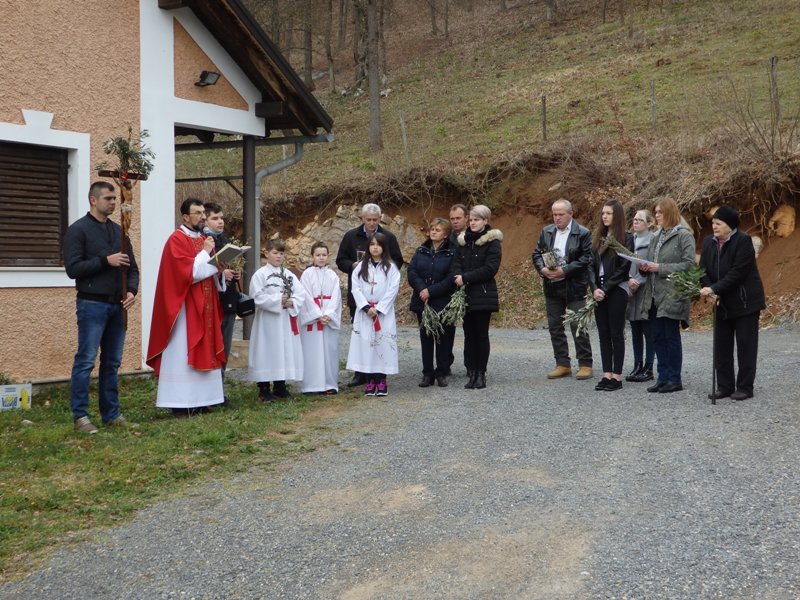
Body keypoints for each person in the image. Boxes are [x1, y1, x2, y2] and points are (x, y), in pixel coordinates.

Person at [64, 181, 139, 433]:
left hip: (118, 306)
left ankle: (111, 413)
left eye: (115, 198)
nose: (113, 202)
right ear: (93, 200)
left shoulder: (120, 232)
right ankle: (81, 417)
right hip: (91, 303)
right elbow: (73, 269)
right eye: (108, 198)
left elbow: (133, 269)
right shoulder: (78, 230)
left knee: (112, 362)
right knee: (85, 360)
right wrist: (105, 261)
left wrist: (131, 290)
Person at [147, 198, 227, 415]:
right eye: (198, 213)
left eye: (203, 212)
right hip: (184, 309)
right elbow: (188, 274)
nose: (203, 216)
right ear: (185, 217)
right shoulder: (176, 240)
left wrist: (221, 271)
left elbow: (208, 272)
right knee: (183, 351)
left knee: (206, 347)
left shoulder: (203, 238)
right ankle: (181, 402)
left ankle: (202, 400)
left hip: (206, 304)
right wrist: (205, 252)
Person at [699, 205, 766, 401]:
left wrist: (714, 289)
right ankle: (724, 386)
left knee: (746, 346)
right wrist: (709, 289)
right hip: (721, 302)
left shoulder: (743, 241)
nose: (714, 226)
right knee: (722, 346)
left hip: (745, 303)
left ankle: (745, 387)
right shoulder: (709, 243)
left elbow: (737, 273)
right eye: (713, 223)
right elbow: (703, 270)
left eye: (719, 223)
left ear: (730, 226)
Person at [336, 203, 404, 387]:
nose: (372, 223)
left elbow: (397, 260)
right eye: (369, 220)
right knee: (362, 336)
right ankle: (361, 372)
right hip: (360, 298)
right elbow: (340, 259)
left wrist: (383, 270)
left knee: (380, 337)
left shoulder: (388, 237)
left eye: (375, 220)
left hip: (382, 297)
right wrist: (354, 266)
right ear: (362, 219)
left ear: (380, 218)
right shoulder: (351, 236)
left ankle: (380, 374)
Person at [532, 199, 594, 381]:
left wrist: (564, 270)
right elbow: (536, 253)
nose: (557, 218)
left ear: (570, 214)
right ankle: (562, 363)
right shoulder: (547, 231)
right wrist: (542, 270)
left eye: (561, 214)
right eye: (555, 215)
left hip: (574, 285)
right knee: (555, 326)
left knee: (578, 325)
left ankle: (585, 364)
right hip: (552, 286)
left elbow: (586, 259)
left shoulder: (582, 233)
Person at [639, 198, 696, 394]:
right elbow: (651, 262)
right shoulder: (655, 236)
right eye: (655, 212)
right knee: (657, 337)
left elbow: (689, 265)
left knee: (671, 336)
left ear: (670, 213)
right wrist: (645, 266)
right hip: (654, 293)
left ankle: (674, 378)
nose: (656, 216)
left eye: (660, 212)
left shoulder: (684, 236)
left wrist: (660, 268)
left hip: (673, 294)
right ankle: (662, 377)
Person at [248, 239, 306, 402]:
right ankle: (264, 388)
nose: (278, 257)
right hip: (268, 320)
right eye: (275, 253)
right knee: (267, 351)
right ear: (266, 253)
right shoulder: (260, 275)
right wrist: (277, 299)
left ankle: (280, 385)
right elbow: (256, 297)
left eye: (281, 253)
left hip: (285, 319)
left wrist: (292, 301)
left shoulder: (288, 274)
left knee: (283, 350)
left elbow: (300, 293)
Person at [345, 233, 401, 396]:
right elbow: (355, 288)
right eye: (372, 244)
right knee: (366, 344)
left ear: (384, 247)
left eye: (378, 244)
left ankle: (381, 379)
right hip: (365, 313)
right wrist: (365, 307)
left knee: (382, 344)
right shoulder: (361, 267)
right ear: (368, 247)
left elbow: (392, 290)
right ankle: (369, 379)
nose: (375, 247)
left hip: (382, 313)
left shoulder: (390, 267)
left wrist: (379, 308)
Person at [453, 205, 502, 390]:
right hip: (465, 294)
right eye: (471, 219)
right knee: (469, 335)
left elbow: (490, 269)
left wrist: (465, 278)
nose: (473, 223)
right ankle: (471, 372)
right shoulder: (463, 240)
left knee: (481, 335)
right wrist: (458, 275)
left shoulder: (492, 242)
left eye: (477, 220)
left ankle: (481, 373)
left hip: (483, 294)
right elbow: (457, 262)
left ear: (485, 221)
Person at [589, 200, 634, 391]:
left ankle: (616, 376)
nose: (604, 216)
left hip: (616, 291)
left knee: (616, 333)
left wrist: (605, 289)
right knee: (603, 334)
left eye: (609, 213)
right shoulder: (598, 237)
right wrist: (594, 288)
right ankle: (606, 374)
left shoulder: (626, 238)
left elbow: (623, 269)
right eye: (603, 213)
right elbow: (590, 265)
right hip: (598, 291)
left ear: (617, 216)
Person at [408, 217, 457, 388]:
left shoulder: (452, 253)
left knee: (442, 338)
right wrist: (422, 289)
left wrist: (431, 291)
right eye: (432, 229)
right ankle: (427, 373)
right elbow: (412, 271)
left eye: (438, 229)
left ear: (445, 234)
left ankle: (442, 372)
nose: (433, 232)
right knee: (426, 338)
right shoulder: (421, 250)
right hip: (423, 302)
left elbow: (451, 278)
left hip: (442, 302)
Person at [203, 202, 241, 390]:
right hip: (211, 303)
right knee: (211, 347)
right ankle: (209, 390)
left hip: (228, 301)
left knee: (224, 347)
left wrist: (234, 273)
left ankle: (220, 389)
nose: (220, 222)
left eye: (222, 218)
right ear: (205, 219)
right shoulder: (203, 242)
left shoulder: (225, 241)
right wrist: (219, 273)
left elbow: (227, 266)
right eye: (215, 218)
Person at [298, 242, 342, 395]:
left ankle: (329, 384)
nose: (321, 258)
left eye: (324, 255)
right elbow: (305, 296)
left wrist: (328, 314)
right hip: (314, 317)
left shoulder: (332, 275)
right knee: (312, 351)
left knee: (329, 351)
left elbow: (336, 297)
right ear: (312, 257)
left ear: (328, 257)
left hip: (327, 318)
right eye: (318, 255)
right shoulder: (307, 274)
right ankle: (311, 385)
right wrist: (317, 315)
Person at [625, 209, 656, 383]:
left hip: (645, 290)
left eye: (640, 220)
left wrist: (638, 281)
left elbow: (651, 266)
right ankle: (637, 364)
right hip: (631, 290)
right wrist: (628, 279)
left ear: (649, 223)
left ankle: (649, 366)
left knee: (648, 330)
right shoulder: (630, 240)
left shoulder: (653, 240)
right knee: (635, 329)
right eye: (634, 219)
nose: (635, 222)